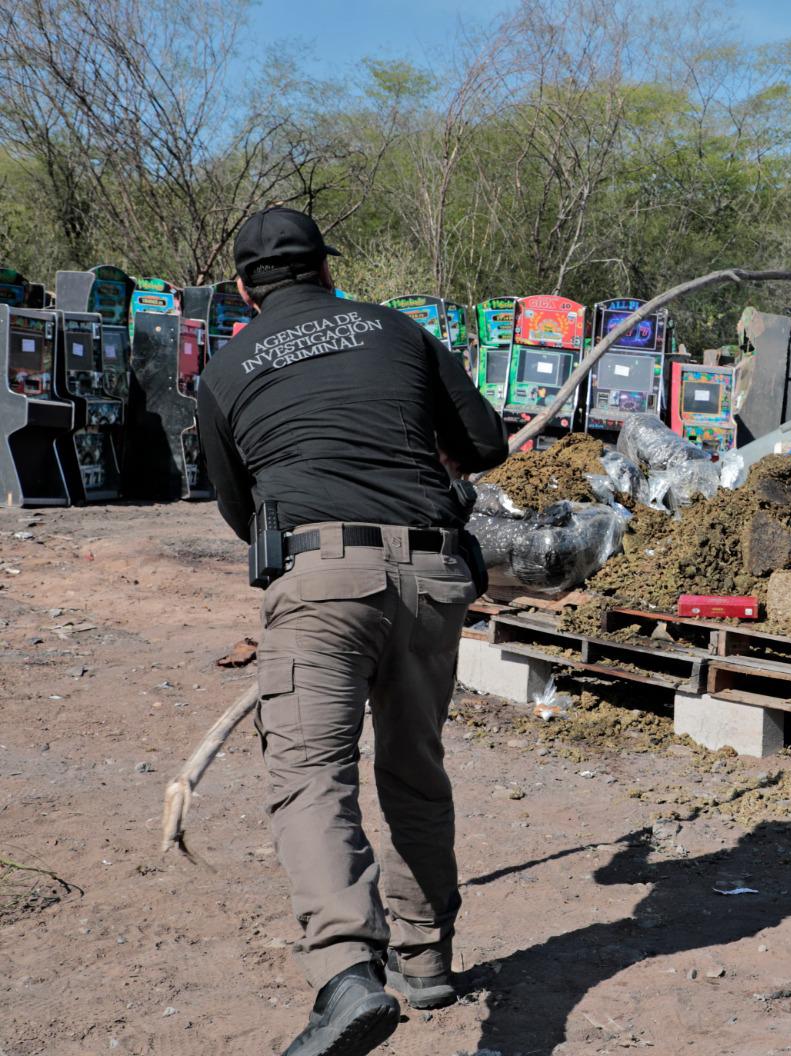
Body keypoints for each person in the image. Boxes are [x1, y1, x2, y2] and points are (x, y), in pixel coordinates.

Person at [196, 206, 508, 1056]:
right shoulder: (395, 331)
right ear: (328, 270)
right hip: (434, 573)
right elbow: (485, 443)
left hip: (321, 577)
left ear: (243, 289)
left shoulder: (224, 370)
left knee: (309, 776)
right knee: (414, 766)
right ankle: (426, 957)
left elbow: (237, 509)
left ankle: (344, 975)